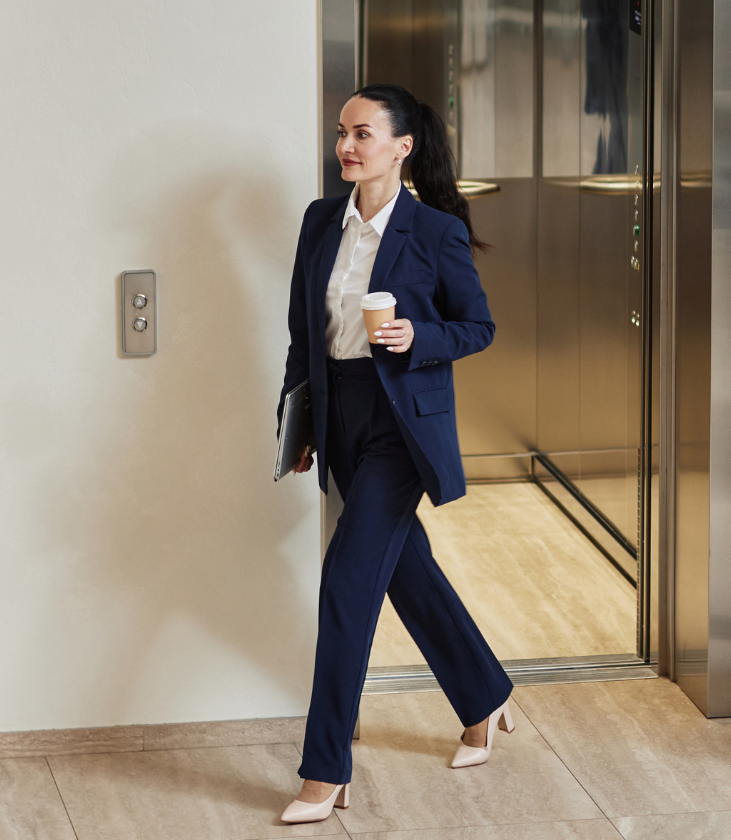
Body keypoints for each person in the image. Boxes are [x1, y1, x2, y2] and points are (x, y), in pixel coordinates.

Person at [276, 83, 514, 825]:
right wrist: (301, 421)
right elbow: (301, 333)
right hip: (341, 415)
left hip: (401, 424)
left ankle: (324, 772)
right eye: (343, 132)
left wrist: (421, 337)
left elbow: (477, 327)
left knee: (346, 584)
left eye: (364, 134)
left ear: (402, 148)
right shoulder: (321, 222)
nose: (347, 145)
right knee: (404, 571)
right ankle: (485, 694)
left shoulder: (434, 232)